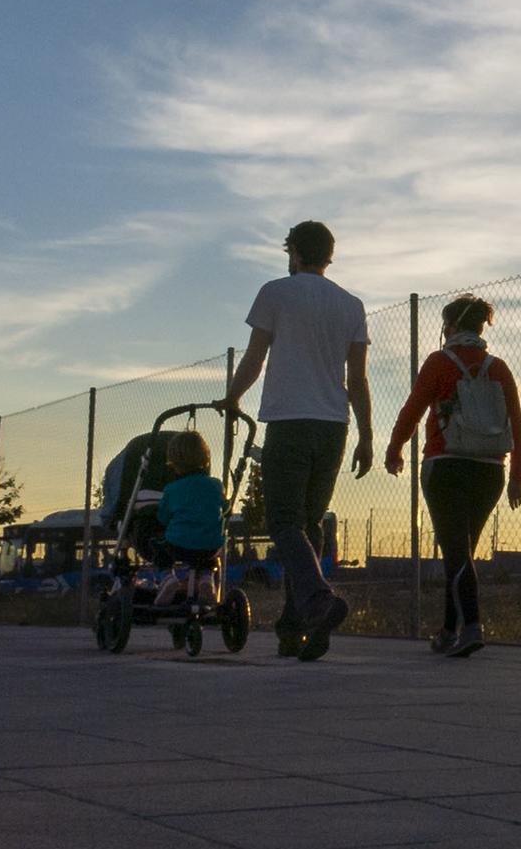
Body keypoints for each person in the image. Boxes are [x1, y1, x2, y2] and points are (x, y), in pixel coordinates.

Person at [214, 220, 372, 660]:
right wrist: (366, 436)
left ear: (295, 252)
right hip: (333, 425)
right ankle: (295, 627)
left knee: (283, 520)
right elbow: (357, 379)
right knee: (308, 525)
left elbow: (255, 357)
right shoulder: (351, 304)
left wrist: (231, 398)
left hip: (289, 421)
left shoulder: (275, 293)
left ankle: (319, 600)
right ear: (329, 255)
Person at [385, 294, 521, 657]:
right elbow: (518, 425)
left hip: (445, 464)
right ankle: (449, 630)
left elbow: (413, 408)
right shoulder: (499, 368)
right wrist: (517, 476)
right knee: (461, 552)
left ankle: (473, 626)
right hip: (491, 470)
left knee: (455, 551)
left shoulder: (438, 363)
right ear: (480, 327)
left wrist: (395, 448)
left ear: (449, 326)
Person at [153, 430, 224, 607]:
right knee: (209, 554)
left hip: (179, 545)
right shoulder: (216, 485)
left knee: (159, 547)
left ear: (174, 461)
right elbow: (226, 508)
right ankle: (207, 578)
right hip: (210, 546)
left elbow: (163, 517)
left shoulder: (171, 489)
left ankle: (168, 577)